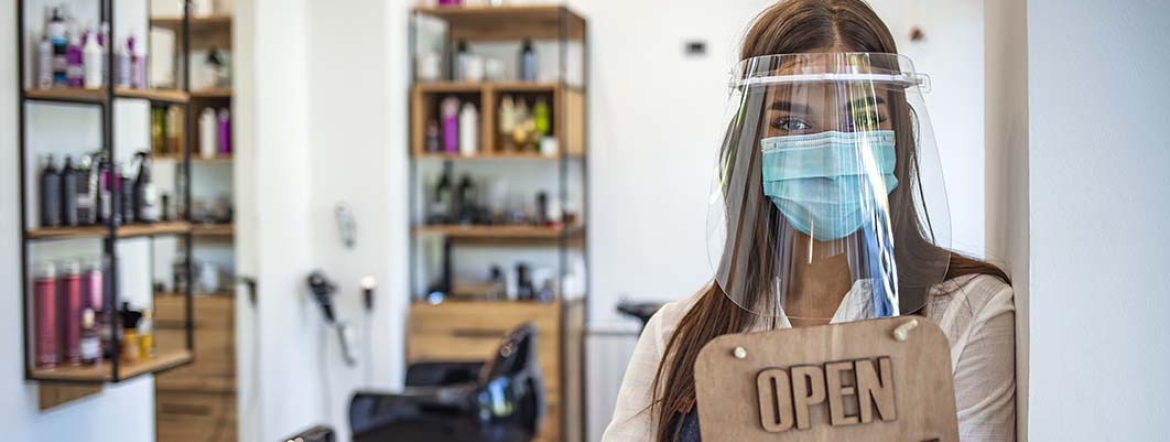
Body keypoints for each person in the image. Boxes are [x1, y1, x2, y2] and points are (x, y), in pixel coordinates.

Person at [602, 0, 1016, 441]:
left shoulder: (967, 314)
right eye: (793, 122)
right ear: (750, 144)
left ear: (898, 134)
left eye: (862, 119)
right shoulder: (674, 337)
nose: (832, 147)